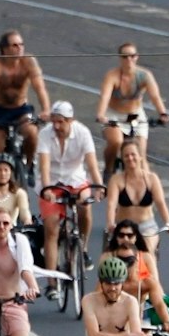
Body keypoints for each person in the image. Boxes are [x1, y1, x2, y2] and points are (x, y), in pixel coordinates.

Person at [38, 101, 101, 289]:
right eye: (54, 121)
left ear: (70, 120)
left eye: (61, 122)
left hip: (75, 179)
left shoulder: (83, 133)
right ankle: (51, 281)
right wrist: (47, 188)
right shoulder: (45, 134)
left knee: (85, 207)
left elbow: (91, 163)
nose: (56, 126)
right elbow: (44, 165)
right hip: (53, 182)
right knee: (51, 228)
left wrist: (99, 186)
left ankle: (83, 248)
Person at [0, 30, 49, 178]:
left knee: (32, 132)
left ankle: (29, 164)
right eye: (14, 45)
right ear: (4, 49)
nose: (19, 48)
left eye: (21, 44)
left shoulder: (29, 61)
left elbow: (40, 87)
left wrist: (46, 109)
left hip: (21, 109)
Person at [96, 41, 169, 174]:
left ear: (137, 57)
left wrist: (162, 113)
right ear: (120, 58)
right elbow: (105, 96)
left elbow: (155, 96)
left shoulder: (145, 75)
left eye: (132, 56)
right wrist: (101, 115)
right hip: (114, 114)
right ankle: (109, 169)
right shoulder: (112, 76)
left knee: (141, 156)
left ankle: (147, 186)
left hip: (135, 115)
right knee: (116, 141)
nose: (129, 59)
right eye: (125, 56)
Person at [105, 139, 169, 249]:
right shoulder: (116, 180)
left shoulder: (152, 179)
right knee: (114, 259)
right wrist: (110, 222)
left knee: (148, 252)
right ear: (122, 159)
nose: (130, 158)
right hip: (124, 227)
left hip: (147, 226)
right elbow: (111, 205)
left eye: (133, 154)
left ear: (140, 157)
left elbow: (161, 203)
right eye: (126, 155)